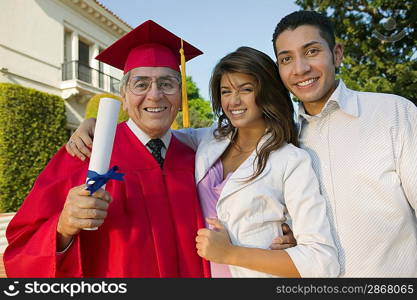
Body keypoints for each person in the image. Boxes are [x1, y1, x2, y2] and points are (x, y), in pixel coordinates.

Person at [67, 46, 340, 277]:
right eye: (225, 91)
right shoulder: (209, 141)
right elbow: (154, 129)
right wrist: (95, 124)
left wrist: (231, 253)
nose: (234, 101)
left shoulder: (292, 160)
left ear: (267, 92)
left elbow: (322, 260)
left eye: (245, 89)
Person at [4, 20, 210, 278]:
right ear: (123, 96)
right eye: (141, 84)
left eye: (167, 83)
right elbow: (21, 246)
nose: (155, 95)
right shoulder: (85, 152)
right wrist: (63, 227)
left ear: (180, 97)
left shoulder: (200, 158)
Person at [271, 11, 417, 277]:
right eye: (286, 59)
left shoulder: (393, 113)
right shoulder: (283, 143)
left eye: (312, 51)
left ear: (336, 53)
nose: (300, 68)